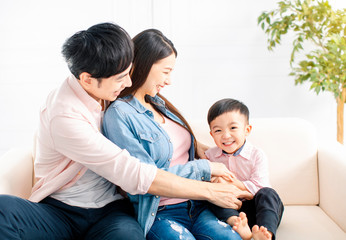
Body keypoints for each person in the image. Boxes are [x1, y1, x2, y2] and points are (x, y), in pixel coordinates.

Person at [0, 23, 244, 240]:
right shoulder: (65, 116)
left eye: (129, 72)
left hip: (108, 211)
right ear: (86, 79)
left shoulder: (108, 91)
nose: (128, 83)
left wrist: (198, 145)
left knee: (128, 234)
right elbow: (135, 173)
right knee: (3, 209)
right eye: (121, 78)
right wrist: (210, 189)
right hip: (60, 210)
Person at [102, 29, 250, 240]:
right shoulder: (119, 114)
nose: (169, 80)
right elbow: (144, 177)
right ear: (144, 64)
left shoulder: (161, 105)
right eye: (165, 71)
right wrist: (205, 168)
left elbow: (191, 149)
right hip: (161, 213)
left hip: (198, 206)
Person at [206, 98, 284, 240]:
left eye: (233, 128)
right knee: (212, 199)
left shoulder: (256, 155)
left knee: (268, 194)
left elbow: (260, 186)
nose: (226, 135)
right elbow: (208, 184)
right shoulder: (209, 156)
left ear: (247, 130)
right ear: (211, 134)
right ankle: (239, 226)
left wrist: (233, 184)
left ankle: (265, 233)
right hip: (230, 207)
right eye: (218, 130)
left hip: (256, 207)